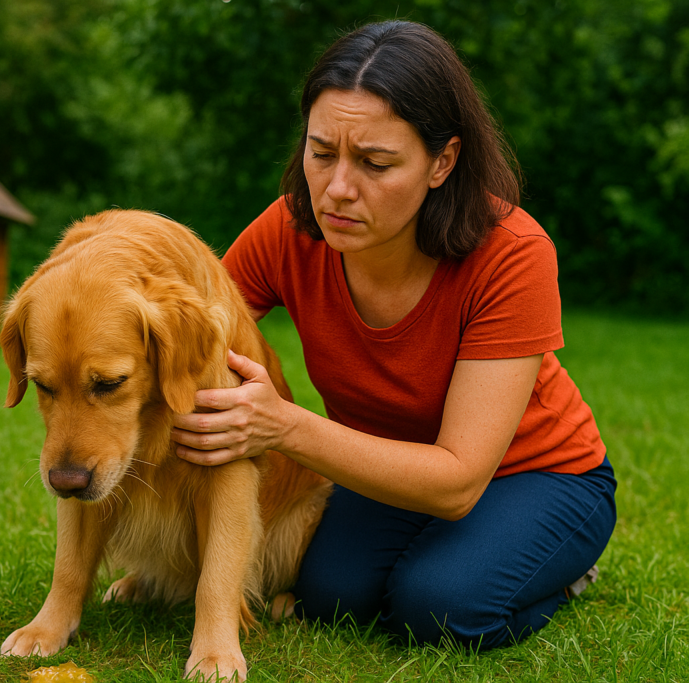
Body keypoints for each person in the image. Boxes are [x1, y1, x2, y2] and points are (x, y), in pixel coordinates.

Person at [171, 20, 616, 650]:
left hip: (539, 475)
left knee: (438, 608)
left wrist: (285, 426)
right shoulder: (289, 231)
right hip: (388, 472)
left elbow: (458, 480)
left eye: (375, 163)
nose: (338, 190)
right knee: (329, 597)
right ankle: (456, 560)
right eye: (321, 153)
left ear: (443, 161)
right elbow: (190, 326)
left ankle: (564, 569)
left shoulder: (513, 254)